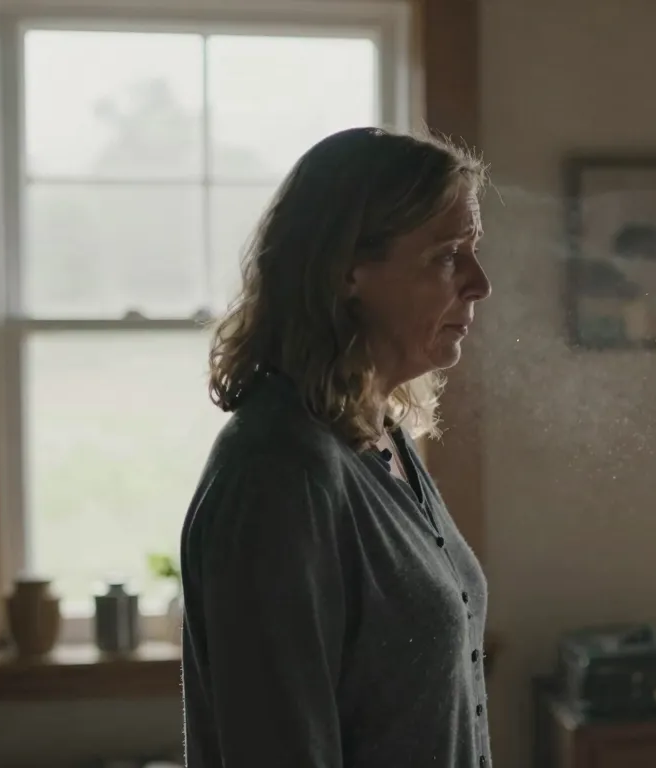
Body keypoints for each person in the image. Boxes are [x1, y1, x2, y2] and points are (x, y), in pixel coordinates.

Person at [178, 126, 494, 767]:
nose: (479, 283)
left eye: (473, 251)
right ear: (347, 270)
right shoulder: (280, 473)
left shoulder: (379, 435)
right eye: (446, 256)